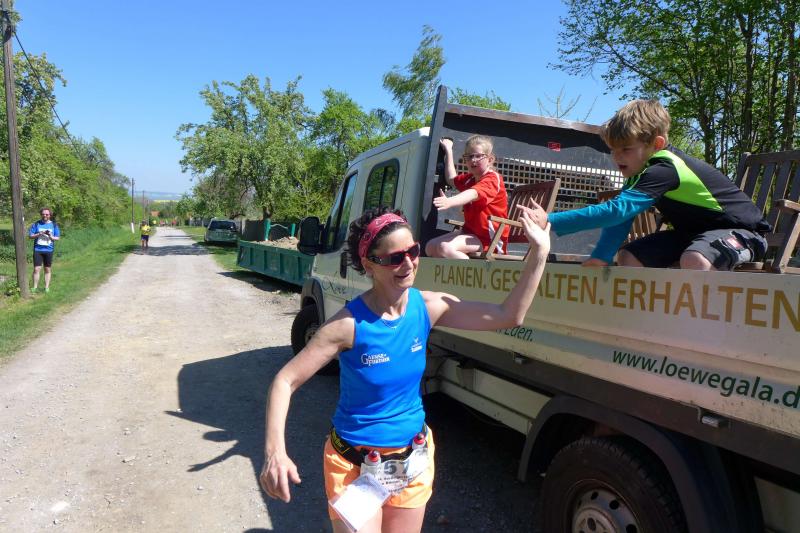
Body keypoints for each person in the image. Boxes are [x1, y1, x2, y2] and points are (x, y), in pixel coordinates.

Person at [260, 206, 550, 533]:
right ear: (369, 264)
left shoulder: (427, 307)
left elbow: (509, 315)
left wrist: (539, 252)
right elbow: (285, 380)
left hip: (412, 460)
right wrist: (274, 452)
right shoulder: (347, 325)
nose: (409, 263)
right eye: (395, 258)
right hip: (354, 467)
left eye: (413, 251)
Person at [528, 99, 769, 270]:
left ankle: (698, 325)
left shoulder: (666, 168)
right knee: (629, 257)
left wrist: (550, 220)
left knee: (695, 259)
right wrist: (602, 256)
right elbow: (621, 219)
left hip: (745, 235)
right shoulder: (639, 174)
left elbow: (615, 211)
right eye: (612, 150)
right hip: (692, 236)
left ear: (657, 144)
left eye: (626, 149)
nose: (617, 157)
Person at [425, 135, 510, 259]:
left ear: (490, 159)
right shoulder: (470, 179)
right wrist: (448, 150)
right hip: (470, 232)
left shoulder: (493, 178)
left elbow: (473, 193)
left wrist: (449, 201)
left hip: (490, 239)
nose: (473, 160)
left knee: (445, 248)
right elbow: (451, 179)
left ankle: (473, 271)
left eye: (478, 156)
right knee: (430, 246)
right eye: (469, 157)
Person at [28, 207, 60, 293]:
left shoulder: (54, 225)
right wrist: (39, 233)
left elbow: (57, 238)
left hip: (49, 250)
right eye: (43, 214)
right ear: (41, 215)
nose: (45, 216)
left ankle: (46, 288)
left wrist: (51, 236)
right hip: (38, 249)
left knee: (47, 269)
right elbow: (30, 236)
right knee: (36, 269)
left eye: (47, 214)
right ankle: (35, 287)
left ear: (50, 215)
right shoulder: (36, 224)